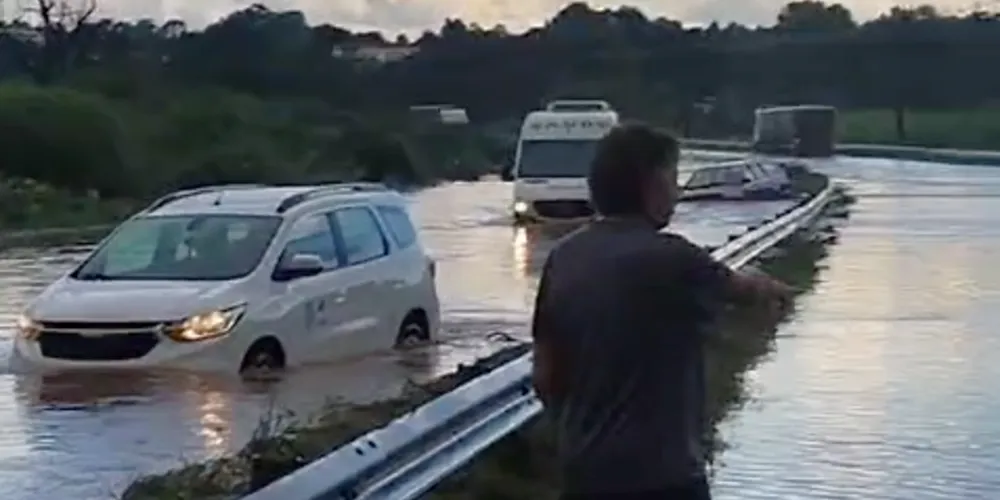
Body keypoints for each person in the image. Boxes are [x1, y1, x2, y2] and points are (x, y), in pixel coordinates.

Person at [531, 123, 793, 500]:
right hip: (663, 479)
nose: (678, 191)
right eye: (672, 179)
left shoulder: (563, 258)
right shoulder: (673, 257)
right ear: (651, 186)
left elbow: (545, 377)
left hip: (585, 476)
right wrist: (774, 294)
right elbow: (744, 294)